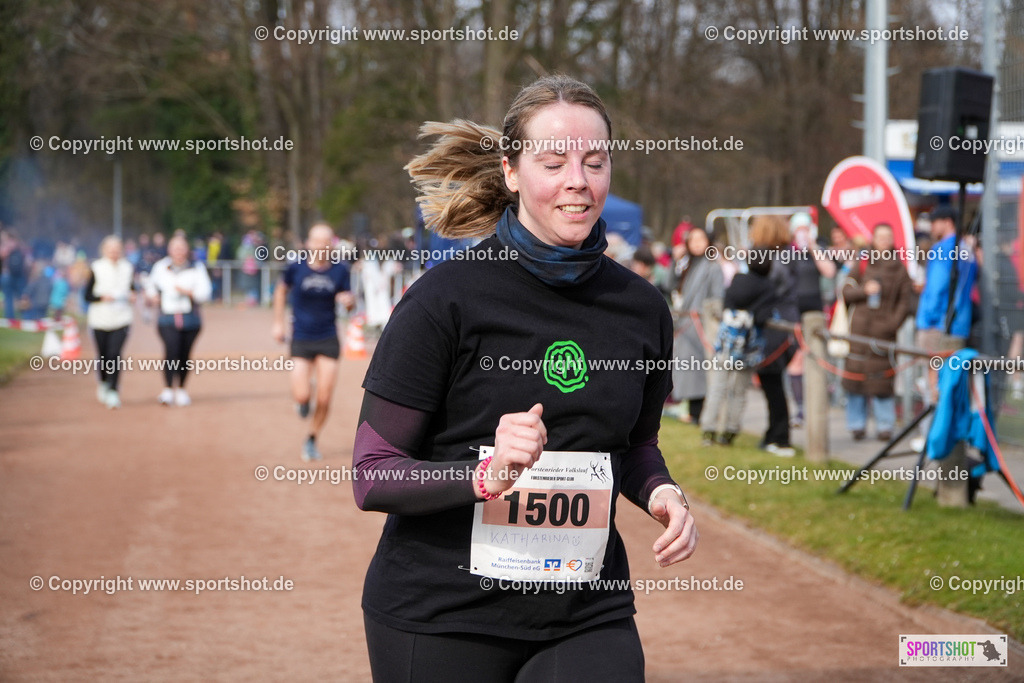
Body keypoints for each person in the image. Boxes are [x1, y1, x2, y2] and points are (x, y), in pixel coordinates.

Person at [352, 75, 697, 681]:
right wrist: (486, 475)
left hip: (585, 610)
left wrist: (662, 492)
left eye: (595, 162)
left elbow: (636, 445)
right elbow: (373, 473)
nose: (578, 181)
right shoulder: (443, 300)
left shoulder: (641, 309)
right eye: (554, 162)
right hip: (441, 614)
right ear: (511, 172)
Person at [272, 223, 354, 462]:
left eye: (325, 242)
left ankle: (311, 438)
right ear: (308, 244)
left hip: (328, 337)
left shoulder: (340, 271)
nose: (321, 246)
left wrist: (348, 301)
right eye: (316, 241)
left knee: (325, 397)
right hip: (301, 337)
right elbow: (280, 291)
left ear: (332, 245)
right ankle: (302, 402)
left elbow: (350, 302)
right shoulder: (296, 267)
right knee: (301, 394)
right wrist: (278, 323)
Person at [840, 224, 915, 441]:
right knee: (855, 379)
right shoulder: (862, 263)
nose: (883, 241)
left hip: (884, 333)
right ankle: (856, 424)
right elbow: (846, 291)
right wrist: (865, 291)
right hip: (859, 332)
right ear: (873, 239)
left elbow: (905, 301)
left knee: (882, 382)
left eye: (887, 237)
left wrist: (892, 324)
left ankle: (885, 426)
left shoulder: (900, 269)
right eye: (879, 236)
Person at [915, 205, 977, 404]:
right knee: (952, 382)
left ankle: (935, 432)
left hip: (938, 325)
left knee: (934, 385)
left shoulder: (942, 249)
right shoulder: (966, 249)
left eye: (934, 221)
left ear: (947, 222)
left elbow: (937, 287)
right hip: (959, 325)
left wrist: (930, 319)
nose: (931, 226)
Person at [748, 215, 799, 456]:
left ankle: (781, 437)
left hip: (777, 327)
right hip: (781, 323)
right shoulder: (784, 255)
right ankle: (773, 432)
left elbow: (767, 288)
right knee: (771, 383)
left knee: (773, 381)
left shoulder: (776, 259)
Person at [146, 234, 212, 406]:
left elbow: (205, 292)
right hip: (167, 318)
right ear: (169, 250)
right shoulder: (161, 267)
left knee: (184, 354)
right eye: (175, 248)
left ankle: (181, 389)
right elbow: (150, 286)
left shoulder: (196, 267)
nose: (179, 252)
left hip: (191, 319)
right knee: (171, 350)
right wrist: (154, 297)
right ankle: (168, 389)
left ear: (187, 250)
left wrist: (189, 292)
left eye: (182, 248)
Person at [786, 212, 836, 428]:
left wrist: (813, 246)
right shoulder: (787, 252)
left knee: (815, 357)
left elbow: (829, 271)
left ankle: (817, 405)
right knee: (796, 360)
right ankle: (799, 409)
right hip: (794, 311)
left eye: (806, 229)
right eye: (799, 229)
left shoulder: (816, 251)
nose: (803, 233)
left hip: (814, 310)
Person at [670, 226, 724, 424]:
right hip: (685, 324)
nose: (697, 243)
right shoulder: (688, 265)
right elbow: (670, 286)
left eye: (700, 239)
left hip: (701, 325)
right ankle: (693, 410)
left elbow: (718, 297)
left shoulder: (713, 266)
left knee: (699, 370)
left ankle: (699, 412)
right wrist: (674, 262)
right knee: (688, 370)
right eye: (692, 239)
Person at [85, 236, 135, 409]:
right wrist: (101, 297)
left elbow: (132, 289)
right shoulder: (96, 267)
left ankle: (114, 390)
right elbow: (87, 295)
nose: (114, 253)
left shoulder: (127, 268)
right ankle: (104, 382)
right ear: (104, 250)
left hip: (122, 318)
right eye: (110, 249)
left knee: (115, 354)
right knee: (103, 355)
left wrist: (133, 295)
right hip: (100, 318)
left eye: (117, 249)